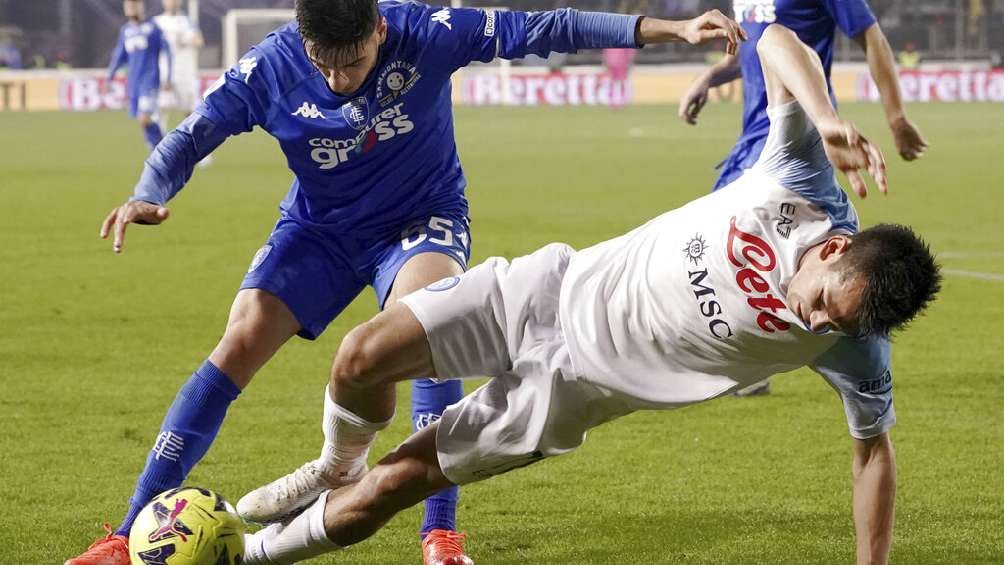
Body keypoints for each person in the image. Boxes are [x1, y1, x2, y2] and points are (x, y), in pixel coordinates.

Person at [65, 2, 744, 564]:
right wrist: (147, 191)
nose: (336, 80)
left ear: (379, 31)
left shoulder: (427, 31)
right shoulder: (271, 65)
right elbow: (191, 134)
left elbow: (543, 28)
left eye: (352, 62)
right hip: (318, 231)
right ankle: (125, 535)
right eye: (322, 64)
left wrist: (668, 29)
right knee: (237, 340)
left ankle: (439, 532)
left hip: (421, 220)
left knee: (425, 322)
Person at [237, 24, 941, 565]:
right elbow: (781, 41)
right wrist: (823, 117)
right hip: (548, 290)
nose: (811, 317)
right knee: (361, 353)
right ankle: (335, 462)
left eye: (828, 324)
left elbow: (874, 452)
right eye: (823, 299)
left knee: (395, 486)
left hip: (569, 394)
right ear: (835, 248)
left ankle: (248, 554)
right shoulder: (803, 182)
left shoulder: (855, 345)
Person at [677, 0, 929, 397]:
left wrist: (895, 116)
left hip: (794, 132)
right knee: (719, 254)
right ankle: (752, 360)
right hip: (753, 134)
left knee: (714, 252)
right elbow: (756, 44)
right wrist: (711, 77)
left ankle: (765, 358)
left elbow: (873, 36)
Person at [106, 0, 171, 151]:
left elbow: (167, 51)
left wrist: (168, 77)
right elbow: (119, 55)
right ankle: (160, 151)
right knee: (142, 120)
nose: (131, 8)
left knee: (144, 118)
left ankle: (168, 147)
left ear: (141, 7)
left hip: (149, 80)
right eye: (128, 5)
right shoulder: (126, 31)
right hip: (133, 82)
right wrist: (110, 77)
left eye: (134, 4)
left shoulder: (152, 28)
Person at [152, 0, 205, 135]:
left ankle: (201, 151)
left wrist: (184, 41)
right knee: (160, 110)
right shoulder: (156, 22)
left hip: (185, 73)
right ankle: (159, 147)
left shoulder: (187, 21)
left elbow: (199, 41)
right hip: (163, 73)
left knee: (191, 113)